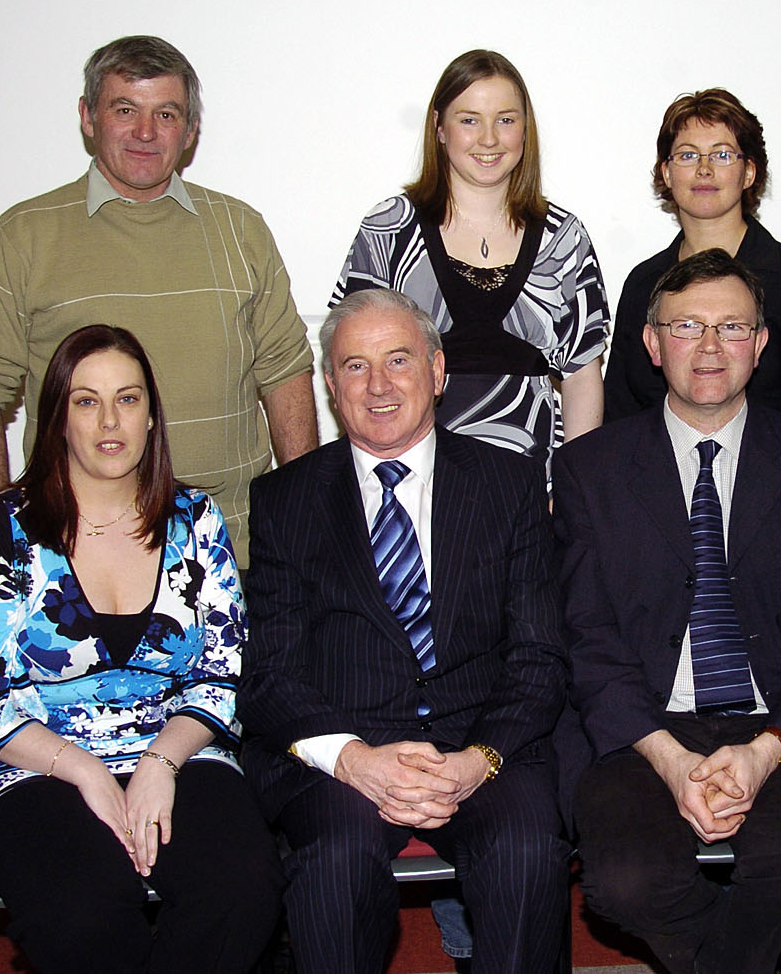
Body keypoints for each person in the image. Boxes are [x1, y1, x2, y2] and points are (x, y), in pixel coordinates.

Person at [555, 249, 781, 974]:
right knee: (625, 879)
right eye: (687, 325)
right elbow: (585, 636)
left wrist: (764, 751)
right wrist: (670, 763)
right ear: (651, 342)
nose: (708, 347)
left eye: (731, 328)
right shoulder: (588, 470)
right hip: (641, 729)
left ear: (759, 346)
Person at [237, 289, 569, 973]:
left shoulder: (508, 483)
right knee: (335, 860)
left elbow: (538, 655)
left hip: (481, 739)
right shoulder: (285, 499)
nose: (379, 385)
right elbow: (269, 674)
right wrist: (358, 759)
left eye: (399, 359)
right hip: (344, 750)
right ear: (330, 384)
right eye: (355, 366)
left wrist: (477, 760)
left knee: (527, 848)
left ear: (438, 370)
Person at [0, 325, 284, 973]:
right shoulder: (6, 531)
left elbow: (221, 673)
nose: (109, 420)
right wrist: (85, 769)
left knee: (242, 887)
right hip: (29, 765)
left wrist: (159, 762)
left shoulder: (195, 518)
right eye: (86, 400)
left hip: (177, 750)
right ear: (57, 419)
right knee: (84, 907)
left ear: (152, 417)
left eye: (127, 399)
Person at [0, 34, 317, 566]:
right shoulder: (21, 237)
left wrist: (310, 520)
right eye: (125, 109)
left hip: (231, 553)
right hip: (71, 554)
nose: (146, 132)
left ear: (189, 131)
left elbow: (285, 373)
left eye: (166, 114)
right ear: (88, 117)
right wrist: (0, 539)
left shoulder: (241, 230)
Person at [332, 48, 608, 486]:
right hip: (410, 484)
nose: (489, 139)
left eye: (505, 119)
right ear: (439, 128)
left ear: (525, 130)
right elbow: (353, 367)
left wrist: (575, 493)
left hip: (533, 487)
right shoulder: (388, 229)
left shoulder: (563, 237)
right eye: (469, 120)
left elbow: (581, 378)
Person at [604, 88, 781, 430]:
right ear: (666, 174)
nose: (704, 170)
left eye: (722, 155)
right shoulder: (643, 283)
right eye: (687, 155)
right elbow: (619, 417)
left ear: (749, 173)